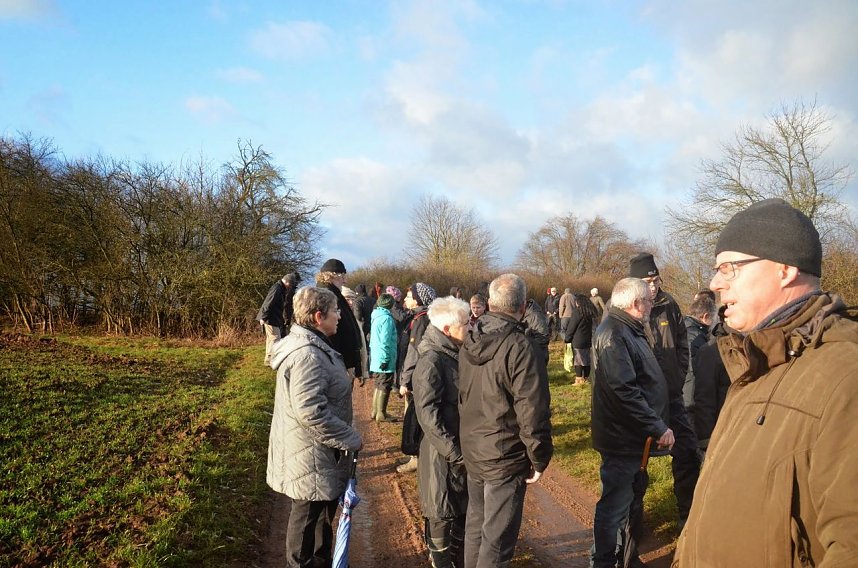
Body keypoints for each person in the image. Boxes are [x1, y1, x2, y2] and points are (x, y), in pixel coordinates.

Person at [673, 199, 858, 567]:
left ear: (785, 268)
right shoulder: (755, 365)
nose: (714, 284)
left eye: (729, 268)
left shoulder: (846, 376)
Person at [459, 273, 553, 568]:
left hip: (473, 448)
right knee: (497, 541)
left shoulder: (470, 338)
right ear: (523, 306)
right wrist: (539, 457)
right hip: (503, 455)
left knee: (476, 527)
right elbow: (533, 409)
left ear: (489, 304)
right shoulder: (519, 346)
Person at [266, 286, 363, 568]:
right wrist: (350, 437)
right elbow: (311, 411)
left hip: (317, 450)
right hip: (310, 452)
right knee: (307, 515)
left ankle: (319, 562)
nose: (340, 317)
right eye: (336, 312)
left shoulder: (314, 346)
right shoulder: (308, 355)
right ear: (319, 316)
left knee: (319, 516)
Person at [591, 277, 674, 568]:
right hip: (621, 437)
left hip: (631, 437)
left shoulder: (628, 329)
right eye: (649, 301)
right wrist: (657, 426)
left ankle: (626, 558)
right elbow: (623, 391)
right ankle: (603, 562)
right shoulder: (615, 333)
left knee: (629, 503)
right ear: (636, 303)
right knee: (614, 506)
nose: (652, 306)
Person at [629, 252, 699, 529]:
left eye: (656, 279)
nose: (654, 286)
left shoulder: (669, 303)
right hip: (639, 400)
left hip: (672, 395)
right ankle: (633, 523)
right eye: (647, 281)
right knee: (635, 464)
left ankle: (688, 517)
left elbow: (682, 342)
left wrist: (679, 375)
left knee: (688, 452)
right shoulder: (623, 306)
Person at [412, 296, 471, 568]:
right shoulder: (432, 361)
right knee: (441, 516)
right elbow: (428, 416)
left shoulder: (454, 353)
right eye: (466, 323)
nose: (470, 327)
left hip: (457, 454)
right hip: (441, 456)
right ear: (447, 329)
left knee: (460, 515)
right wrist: (455, 454)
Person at [397, 282, 438, 474]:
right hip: (421, 375)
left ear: (418, 299)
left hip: (416, 378)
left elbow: (414, 353)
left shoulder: (421, 320)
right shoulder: (423, 317)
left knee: (413, 417)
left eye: (408, 296)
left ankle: (415, 458)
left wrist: (405, 381)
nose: (405, 300)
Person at [690, 305, 730, 460]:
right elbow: (704, 398)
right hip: (720, 431)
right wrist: (706, 441)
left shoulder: (756, 344)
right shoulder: (710, 351)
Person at [315, 259, 364, 379]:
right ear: (331, 276)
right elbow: (328, 332)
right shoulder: (326, 297)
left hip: (340, 361)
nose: (345, 280)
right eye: (342, 277)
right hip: (336, 364)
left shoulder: (334, 295)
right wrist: (340, 363)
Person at [681, 294, 716, 413]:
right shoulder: (695, 336)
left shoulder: (684, 330)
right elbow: (695, 369)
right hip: (691, 398)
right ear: (705, 316)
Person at [257, 271, 300, 365]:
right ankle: (271, 360)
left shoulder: (279, 287)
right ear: (288, 282)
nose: (290, 287)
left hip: (271, 317)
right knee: (275, 338)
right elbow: (269, 302)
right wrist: (263, 317)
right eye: (291, 285)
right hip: (270, 317)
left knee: (271, 339)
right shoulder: (277, 288)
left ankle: (268, 360)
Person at [370, 293, 398, 422]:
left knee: (378, 383)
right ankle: (381, 414)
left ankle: (375, 411)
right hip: (383, 357)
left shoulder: (376, 315)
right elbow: (385, 340)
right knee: (385, 384)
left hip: (376, 356)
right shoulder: (387, 318)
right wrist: (386, 358)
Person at [564, 294, 596, 385]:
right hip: (588, 340)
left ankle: (578, 379)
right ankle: (586, 378)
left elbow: (572, 326)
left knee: (578, 360)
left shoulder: (577, 312)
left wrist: (567, 338)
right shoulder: (590, 312)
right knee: (586, 360)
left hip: (578, 340)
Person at [522, 297, 551, 366]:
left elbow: (543, 337)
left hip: (537, 357)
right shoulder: (523, 315)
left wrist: (527, 348)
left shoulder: (536, 316)